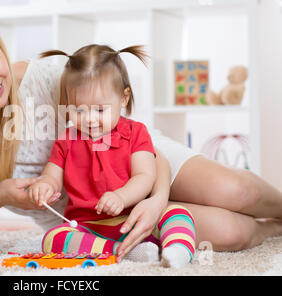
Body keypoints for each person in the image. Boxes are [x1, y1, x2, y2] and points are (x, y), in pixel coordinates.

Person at [0, 2, 282, 259]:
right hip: (92, 216)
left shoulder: (47, 79)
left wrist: (156, 200)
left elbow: (139, 144)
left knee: (238, 191)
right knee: (230, 231)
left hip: (140, 165)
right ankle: (270, 232)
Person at [28, 44, 196, 268]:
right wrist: (45, 185)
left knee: (178, 213)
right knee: (53, 238)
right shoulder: (67, 139)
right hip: (88, 228)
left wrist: (121, 197)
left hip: (134, 219)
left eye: (99, 110)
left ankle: (177, 250)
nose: (89, 119)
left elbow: (145, 176)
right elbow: (52, 173)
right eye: (78, 110)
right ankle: (119, 252)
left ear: (123, 98)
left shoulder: (136, 133)